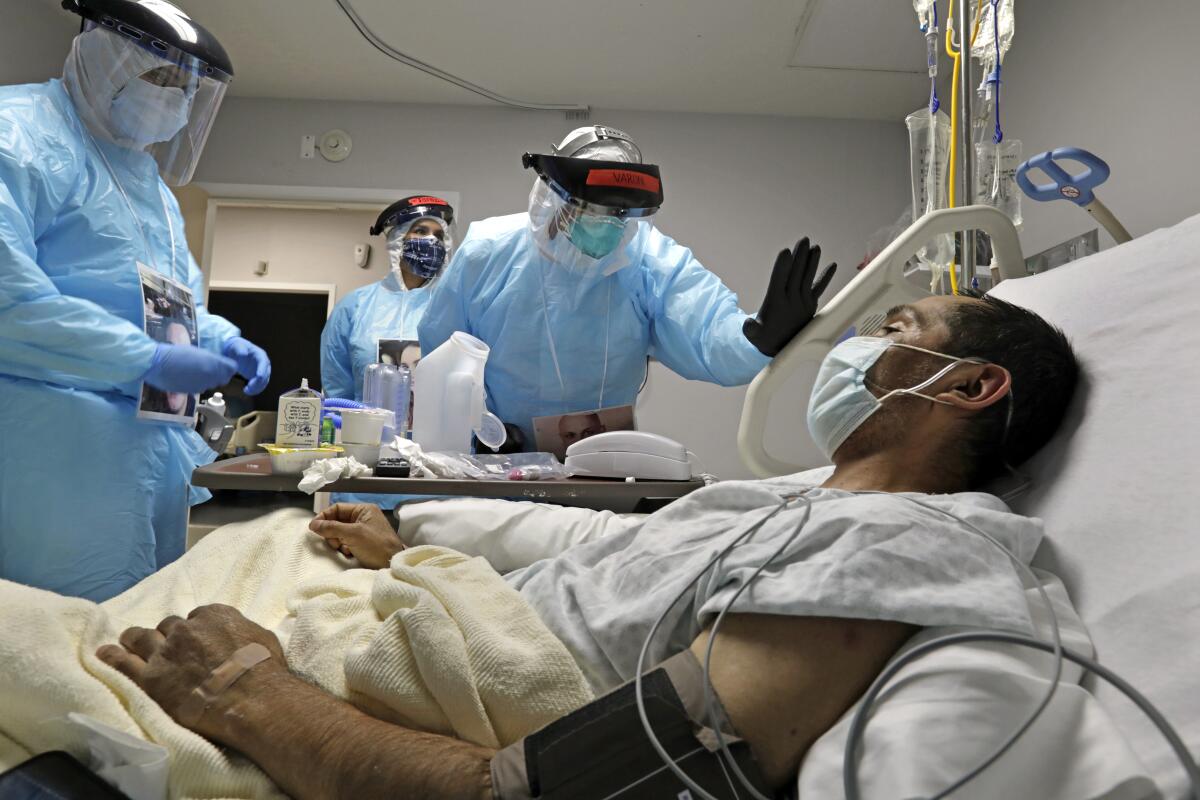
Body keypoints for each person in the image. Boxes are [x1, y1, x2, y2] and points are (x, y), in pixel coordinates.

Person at [97, 290, 1080, 798]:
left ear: (968, 386)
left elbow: (592, 786)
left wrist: (261, 699)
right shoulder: (777, 500)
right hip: (411, 614)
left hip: (372, 691)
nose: (860, 345)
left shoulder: (908, 542)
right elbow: (593, 554)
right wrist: (408, 545)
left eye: (897, 325)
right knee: (263, 526)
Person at [0, 0, 271, 601]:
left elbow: (167, 303)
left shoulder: (147, 184)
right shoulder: (16, 134)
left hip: (148, 443)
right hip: (48, 446)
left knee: (143, 634)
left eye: (186, 87)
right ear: (105, 59)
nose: (174, 97)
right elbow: (7, 296)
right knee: (49, 644)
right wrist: (139, 359)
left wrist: (219, 335)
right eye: (160, 77)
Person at [419, 125, 837, 449]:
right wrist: (480, 429)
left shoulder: (649, 259)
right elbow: (443, 359)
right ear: (557, 196)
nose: (608, 222)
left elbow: (706, 329)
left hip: (604, 462)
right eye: (594, 206)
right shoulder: (487, 252)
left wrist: (756, 337)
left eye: (619, 212)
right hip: (499, 458)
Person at [320, 195, 455, 506]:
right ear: (397, 238)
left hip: (438, 472)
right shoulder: (354, 308)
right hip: (365, 473)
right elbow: (336, 388)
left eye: (438, 234)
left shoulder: (454, 306)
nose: (431, 240)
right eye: (420, 231)